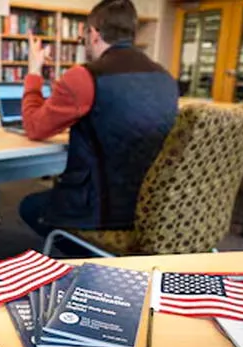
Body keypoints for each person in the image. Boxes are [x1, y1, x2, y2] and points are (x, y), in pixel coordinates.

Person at [19, 0, 179, 254]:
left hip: (100, 212)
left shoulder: (85, 76)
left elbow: (34, 127)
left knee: (29, 206)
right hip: (154, 207)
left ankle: (101, 257)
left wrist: (34, 72)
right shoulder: (165, 78)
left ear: (94, 34)